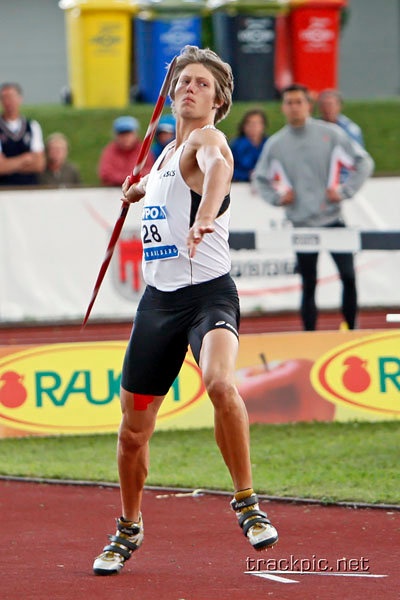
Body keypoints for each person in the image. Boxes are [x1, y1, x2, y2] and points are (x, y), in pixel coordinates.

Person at [93, 45, 279, 577]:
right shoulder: (164, 156)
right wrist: (137, 191)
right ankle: (129, 528)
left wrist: (206, 213)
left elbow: (217, 167)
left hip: (208, 298)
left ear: (218, 100)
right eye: (183, 80)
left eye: (200, 83)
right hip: (158, 305)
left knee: (220, 383)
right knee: (132, 430)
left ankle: (246, 502)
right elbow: (162, 181)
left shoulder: (206, 140)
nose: (188, 87)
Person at [253, 83, 374, 331]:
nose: (295, 107)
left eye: (299, 102)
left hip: (332, 220)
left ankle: (351, 331)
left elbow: (364, 162)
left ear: (309, 105)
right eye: (289, 103)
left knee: (349, 277)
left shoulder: (330, 134)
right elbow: (260, 178)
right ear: (283, 108)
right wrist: (277, 198)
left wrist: (345, 191)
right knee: (309, 283)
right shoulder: (276, 144)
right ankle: (310, 337)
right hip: (301, 226)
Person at [0, 82, 45, 186]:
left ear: (20, 99)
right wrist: (24, 159)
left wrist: (9, 164)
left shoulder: (32, 126)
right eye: (4, 98)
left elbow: (39, 165)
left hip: (29, 188)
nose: (8, 102)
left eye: (11, 97)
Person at [98, 115, 155, 186]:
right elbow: (106, 174)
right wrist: (132, 177)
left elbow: (151, 172)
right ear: (116, 136)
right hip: (113, 191)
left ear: (135, 134)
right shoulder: (110, 151)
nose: (125, 138)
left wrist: (124, 177)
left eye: (128, 134)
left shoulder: (144, 150)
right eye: (122, 134)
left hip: (139, 190)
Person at [230, 108, 269, 182]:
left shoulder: (269, 144)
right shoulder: (236, 145)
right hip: (241, 185)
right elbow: (229, 170)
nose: (253, 127)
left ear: (263, 126)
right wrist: (248, 175)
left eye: (257, 123)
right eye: (249, 123)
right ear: (244, 126)